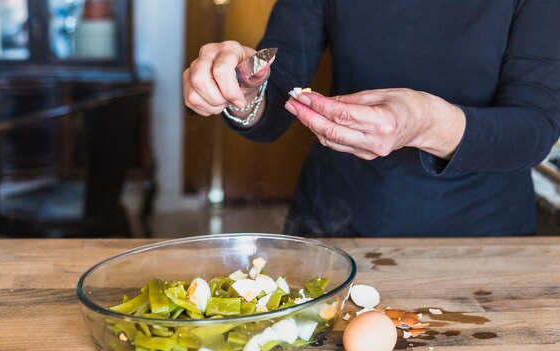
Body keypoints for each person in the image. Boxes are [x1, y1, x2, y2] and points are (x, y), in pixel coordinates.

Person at [183, 1, 560, 237]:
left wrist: (426, 122)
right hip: (338, 222)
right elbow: (278, 92)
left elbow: (534, 126)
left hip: (480, 238)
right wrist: (243, 92)